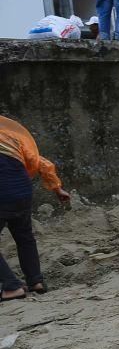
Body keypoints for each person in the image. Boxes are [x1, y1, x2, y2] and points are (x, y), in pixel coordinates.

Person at [0, 117, 71, 301]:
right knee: (25, 237)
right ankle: (35, 281)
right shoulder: (9, 134)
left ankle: (12, 287)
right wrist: (57, 188)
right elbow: (39, 160)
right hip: (22, 190)